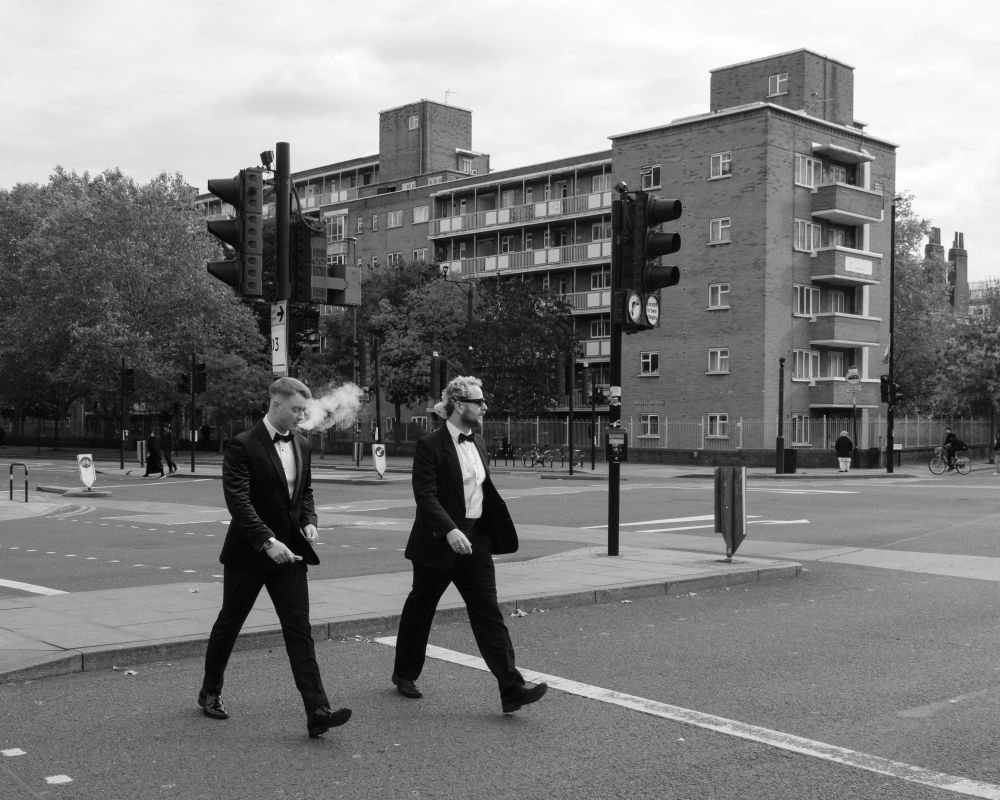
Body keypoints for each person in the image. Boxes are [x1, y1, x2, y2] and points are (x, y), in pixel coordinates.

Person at [198, 377, 351, 738]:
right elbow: (239, 502)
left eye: (304, 410)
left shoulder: (301, 443)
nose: (302, 416)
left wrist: (310, 522)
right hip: (249, 554)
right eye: (297, 409)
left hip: (292, 555)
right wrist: (267, 541)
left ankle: (317, 710)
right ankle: (210, 691)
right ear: (276, 404)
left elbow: (305, 492)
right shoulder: (242, 446)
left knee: (299, 631)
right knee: (229, 623)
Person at [391, 375, 547, 714]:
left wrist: (485, 531)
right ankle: (404, 673)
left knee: (488, 612)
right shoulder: (430, 445)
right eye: (479, 401)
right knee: (421, 608)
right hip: (438, 542)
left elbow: (481, 492)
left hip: (476, 541)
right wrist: (449, 530)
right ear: (460, 405)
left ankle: (511, 688)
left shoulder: (478, 443)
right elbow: (426, 496)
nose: (484, 406)